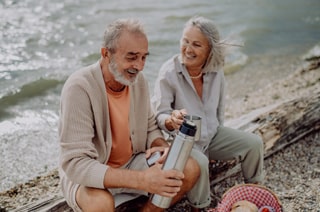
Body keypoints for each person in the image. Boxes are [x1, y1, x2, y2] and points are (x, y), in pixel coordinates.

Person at [58, 18, 200, 212]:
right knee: (100, 204)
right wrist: (143, 180)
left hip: (132, 162)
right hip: (91, 174)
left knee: (189, 169)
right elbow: (76, 164)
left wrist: (163, 148)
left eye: (143, 57)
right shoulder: (78, 88)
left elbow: (150, 126)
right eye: (132, 57)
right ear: (106, 53)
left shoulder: (137, 81)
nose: (139, 66)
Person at [151, 16, 265, 211]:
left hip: (211, 135)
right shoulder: (168, 72)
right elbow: (159, 115)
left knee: (254, 143)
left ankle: (255, 192)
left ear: (210, 50)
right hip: (180, 143)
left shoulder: (216, 70)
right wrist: (171, 119)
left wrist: (213, 144)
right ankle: (201, 206)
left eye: (196, 44)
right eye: (185, 41)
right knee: (201, 162)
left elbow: (219, 111)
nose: (187, 49)